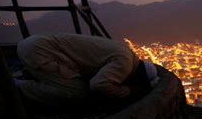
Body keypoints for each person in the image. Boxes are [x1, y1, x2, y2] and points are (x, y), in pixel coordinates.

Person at [15, 33, 158, 107]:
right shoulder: (125, 63)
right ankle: (20, 86)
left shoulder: (126, 53)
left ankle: (34, 75)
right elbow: (98, 85)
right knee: (75, 92)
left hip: (37, 45)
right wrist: (128, 91)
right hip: (40, 52)